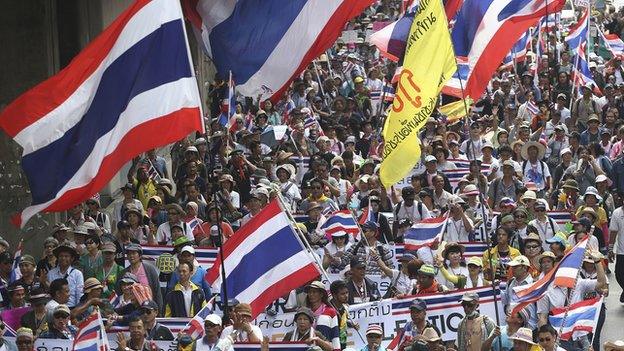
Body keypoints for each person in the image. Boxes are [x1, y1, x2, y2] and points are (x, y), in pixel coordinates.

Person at [121, 243, 163, 309]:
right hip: (130, 310)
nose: (131, 256)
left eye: (134, 253)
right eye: (129, 253)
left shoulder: (150, 269)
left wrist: (159, 310)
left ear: (140, 255)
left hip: (148, 309)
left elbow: (157, 291)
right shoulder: (124, 272)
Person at [303, 281, 340, 351]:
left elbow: (335, 335)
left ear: (321, 294)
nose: (311, 294)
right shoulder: (304, 311)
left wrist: (337, 349)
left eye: (314, 292)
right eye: (309, 292)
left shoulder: (330, 311)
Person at [45, 242, 83, 308]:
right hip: (55, 308)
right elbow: (50, 292)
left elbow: (79, 294)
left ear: (72, 258)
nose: (63, 258)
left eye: (66, 256)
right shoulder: (51, 273)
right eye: (61, 256)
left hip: (72, 308)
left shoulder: (77, 274)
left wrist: (77, 311)